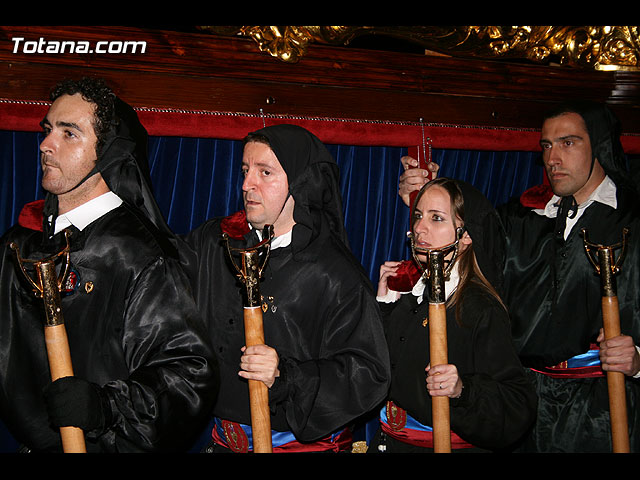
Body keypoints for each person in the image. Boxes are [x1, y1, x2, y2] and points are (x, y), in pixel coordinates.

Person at [397, 101, 640, 452]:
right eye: (546, 146)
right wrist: (424, 194)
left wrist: (637, 362)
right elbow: (465, 238)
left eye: (568, 143)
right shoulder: (522, 215)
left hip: (600, 404)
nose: (553, 158)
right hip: (519, 401)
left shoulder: (632, 221)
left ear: (599, 144)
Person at [0, 77, 218, 452]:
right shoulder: (19, 245)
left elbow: (188, 373)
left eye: (69, 134)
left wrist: (105, 407)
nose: (46, 145)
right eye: (49, 130)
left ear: (110, 151)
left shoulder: (140, 256)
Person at [180, 124, 391, 453]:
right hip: (224, 442)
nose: (247, 184)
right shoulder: (216, 242)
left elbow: (368, 373)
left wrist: (287, 377)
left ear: (300, 183)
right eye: (246, 170)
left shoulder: (334, 274)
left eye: (265, 172)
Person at [368, 177, 537, 453]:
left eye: (436, 218)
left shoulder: (479, 308)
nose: (419, 228)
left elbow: (517, 404)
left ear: (465, 234)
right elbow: (384, 372)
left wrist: (463, 390)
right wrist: (386, 303)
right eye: (419, 216)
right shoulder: (413, 295)